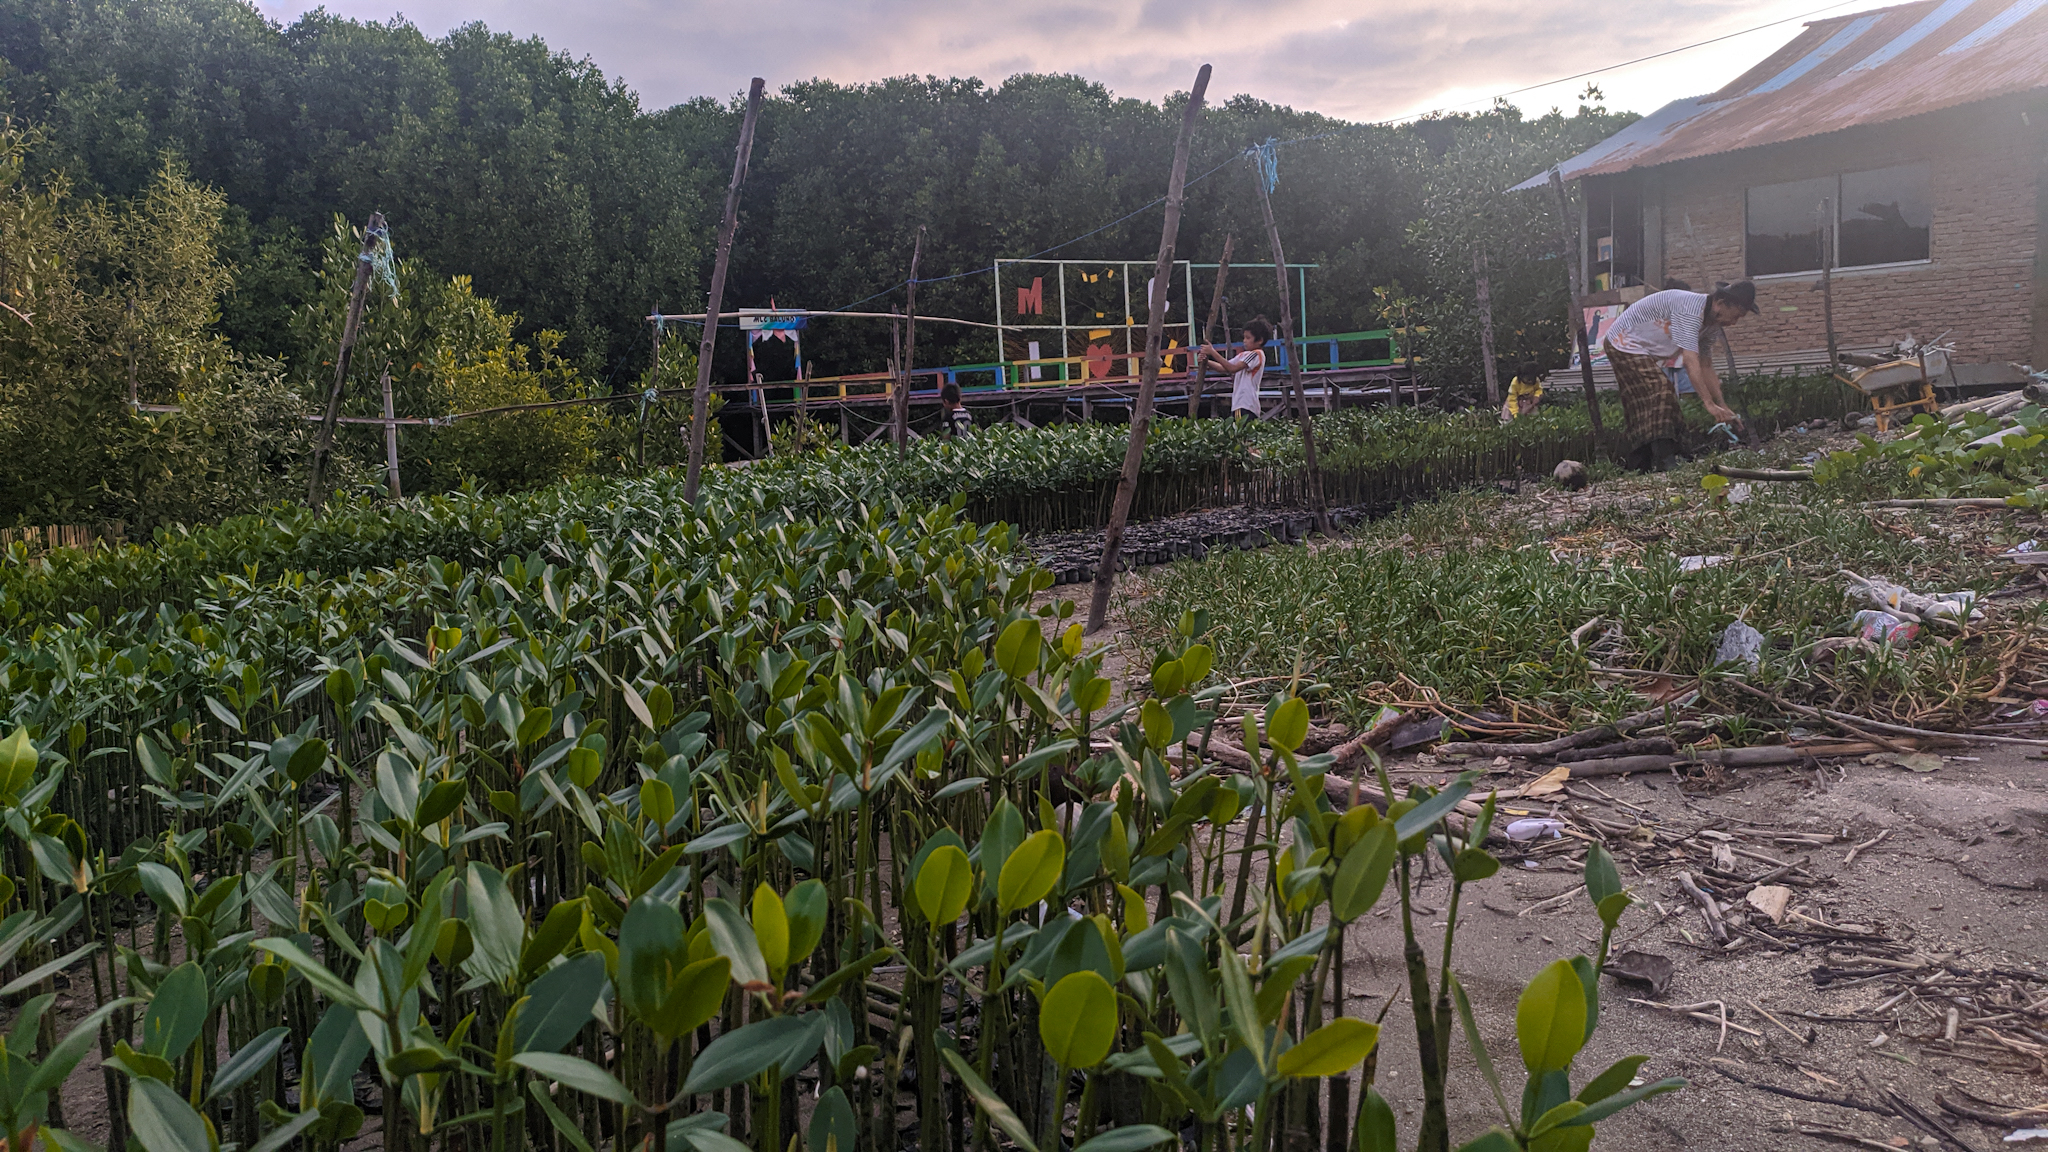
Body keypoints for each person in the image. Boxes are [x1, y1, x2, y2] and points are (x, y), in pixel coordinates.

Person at [1601, 280, 1757, 470]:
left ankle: (1640, 462)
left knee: (1644, 403)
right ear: (1721, 303)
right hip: (1622, 340)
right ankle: (1664, 459)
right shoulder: (1691, 310)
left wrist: (1722, 405)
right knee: (1660, 390)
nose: (1733, 323)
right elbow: (1690, 360)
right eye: (1736, 316)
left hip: (1641, 349)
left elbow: (1706, 365)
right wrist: (1708, 403)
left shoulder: (1712, 325)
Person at [1199, 317, 1271, 420]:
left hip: (1245, 404)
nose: (1244, 341)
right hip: (1241, 405)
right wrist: (1206, 361)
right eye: (1244, 337)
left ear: (1259, 340)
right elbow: (1223, 367)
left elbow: (1232, 368)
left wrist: (1213, 352)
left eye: (1248, 338)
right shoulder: (1244, 355)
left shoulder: (1257, 354)